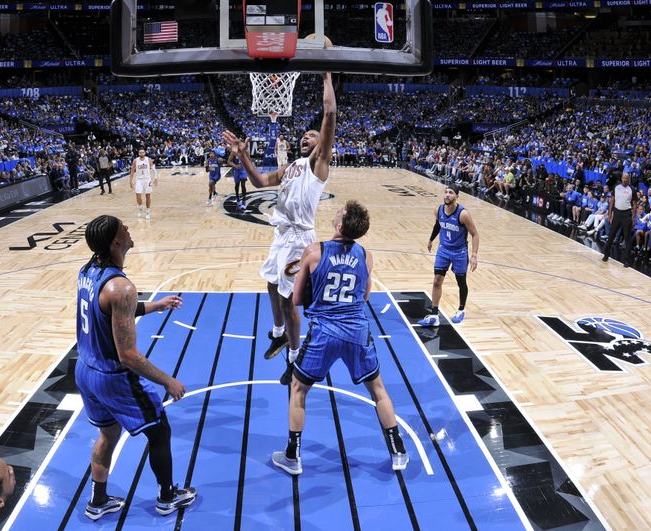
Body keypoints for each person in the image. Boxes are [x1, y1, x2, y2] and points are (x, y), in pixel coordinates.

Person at [271, 200, 409, 475]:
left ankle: (292, 456)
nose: (337, 210)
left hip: (324, 331)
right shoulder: (366, 256)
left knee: (298, 390)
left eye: (340, 211)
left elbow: (297, 299)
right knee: (378, 390)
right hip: (357, 331)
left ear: (339, 225)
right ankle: (398, 452)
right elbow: (365, 295)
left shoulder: (314, 251)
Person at [76, 214, 196, 520]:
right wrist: (168, 381)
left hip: (85, 371)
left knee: (107, 435)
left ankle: (98, 500)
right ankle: (167, 497)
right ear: (116, 241)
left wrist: (155, 305)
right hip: (111, 377)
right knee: (159, 431)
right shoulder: (122, 288)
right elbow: (128, 354)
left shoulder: (88, 271)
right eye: (124, 228)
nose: (129, 230)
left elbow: (111, 313)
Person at [222, 71, 336, 364]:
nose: (305, 137)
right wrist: (243, 155)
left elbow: (330, 115)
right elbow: (260, 181)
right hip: (281, 235)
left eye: (311, 136)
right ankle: (279, 332)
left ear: (321, 145)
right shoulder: (289, 168)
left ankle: (295, 355)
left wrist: (327, 77)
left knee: (288, 301)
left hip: (299, 239)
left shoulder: (318, 165)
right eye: (303, 135)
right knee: (271, 284)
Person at [418, 185, 480, 326]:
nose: (447, 195)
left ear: (457, 196)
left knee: (461, 282)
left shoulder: (463, 214)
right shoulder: (438, 210)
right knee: (436, 281)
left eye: (451, 193)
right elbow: (438, 225)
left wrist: (474, 255)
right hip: (443, 249)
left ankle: (460, 310)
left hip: (459, 252)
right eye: (445, 192)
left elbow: (475, 234)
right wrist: (431, 239)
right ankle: (434, 315)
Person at [602, 171, 634, 265]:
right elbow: (612, 201)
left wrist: (633, 218)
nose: (625, 180)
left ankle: (626, 260)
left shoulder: (632, 189)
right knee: (611, 235)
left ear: (629, 179)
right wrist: (610, 214)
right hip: (617, 213)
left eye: (627, 178)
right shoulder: (616, 187)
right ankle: (606, 254)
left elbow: (635, 205)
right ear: (621, 179)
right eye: (623, 178)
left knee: (627, 238)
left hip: (627, 214)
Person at [129, 148, 156, 220]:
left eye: (143, 152)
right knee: (138, 195)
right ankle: (140, 208)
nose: (142, 154)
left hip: (147, 180)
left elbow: (153, 169)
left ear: (145, 153)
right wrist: (130, 181)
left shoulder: (148, 159)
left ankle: (148, 211)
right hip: (139, 180)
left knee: (148, 196)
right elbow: (132, 171)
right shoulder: (135, 160)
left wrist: (155, 178)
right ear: (138, 153)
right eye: (140, 152)